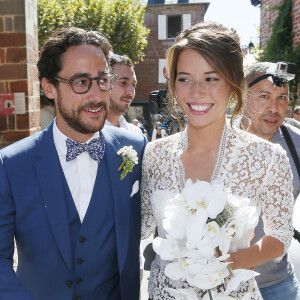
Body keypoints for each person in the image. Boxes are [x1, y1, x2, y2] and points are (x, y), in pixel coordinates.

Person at [141, 21, 294, 299]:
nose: (196, 91)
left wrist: (224, 265)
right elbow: (137, 230)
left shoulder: (268, 157)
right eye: (184, 78)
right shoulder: (154, 154)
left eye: (211, 78)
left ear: (233, 86)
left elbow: (280, 238)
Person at [0, 27, 147, 300]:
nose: (96, 95)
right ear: (49, 87)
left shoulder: (135, 148)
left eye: (103, 80)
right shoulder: (11, 164)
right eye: (81, 82)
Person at [236, 61, 300, 299]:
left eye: (282, 98)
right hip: (223, 284)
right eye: (264, 96)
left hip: (279, 285)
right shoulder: (219, 142)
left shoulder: (297, 145)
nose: (274, 107)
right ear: (242, 96)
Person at [105, 54, 142, 134]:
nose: (131, 92)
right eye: (123, 83)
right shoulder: (87, 134)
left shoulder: (135, 133)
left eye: (134, 85)